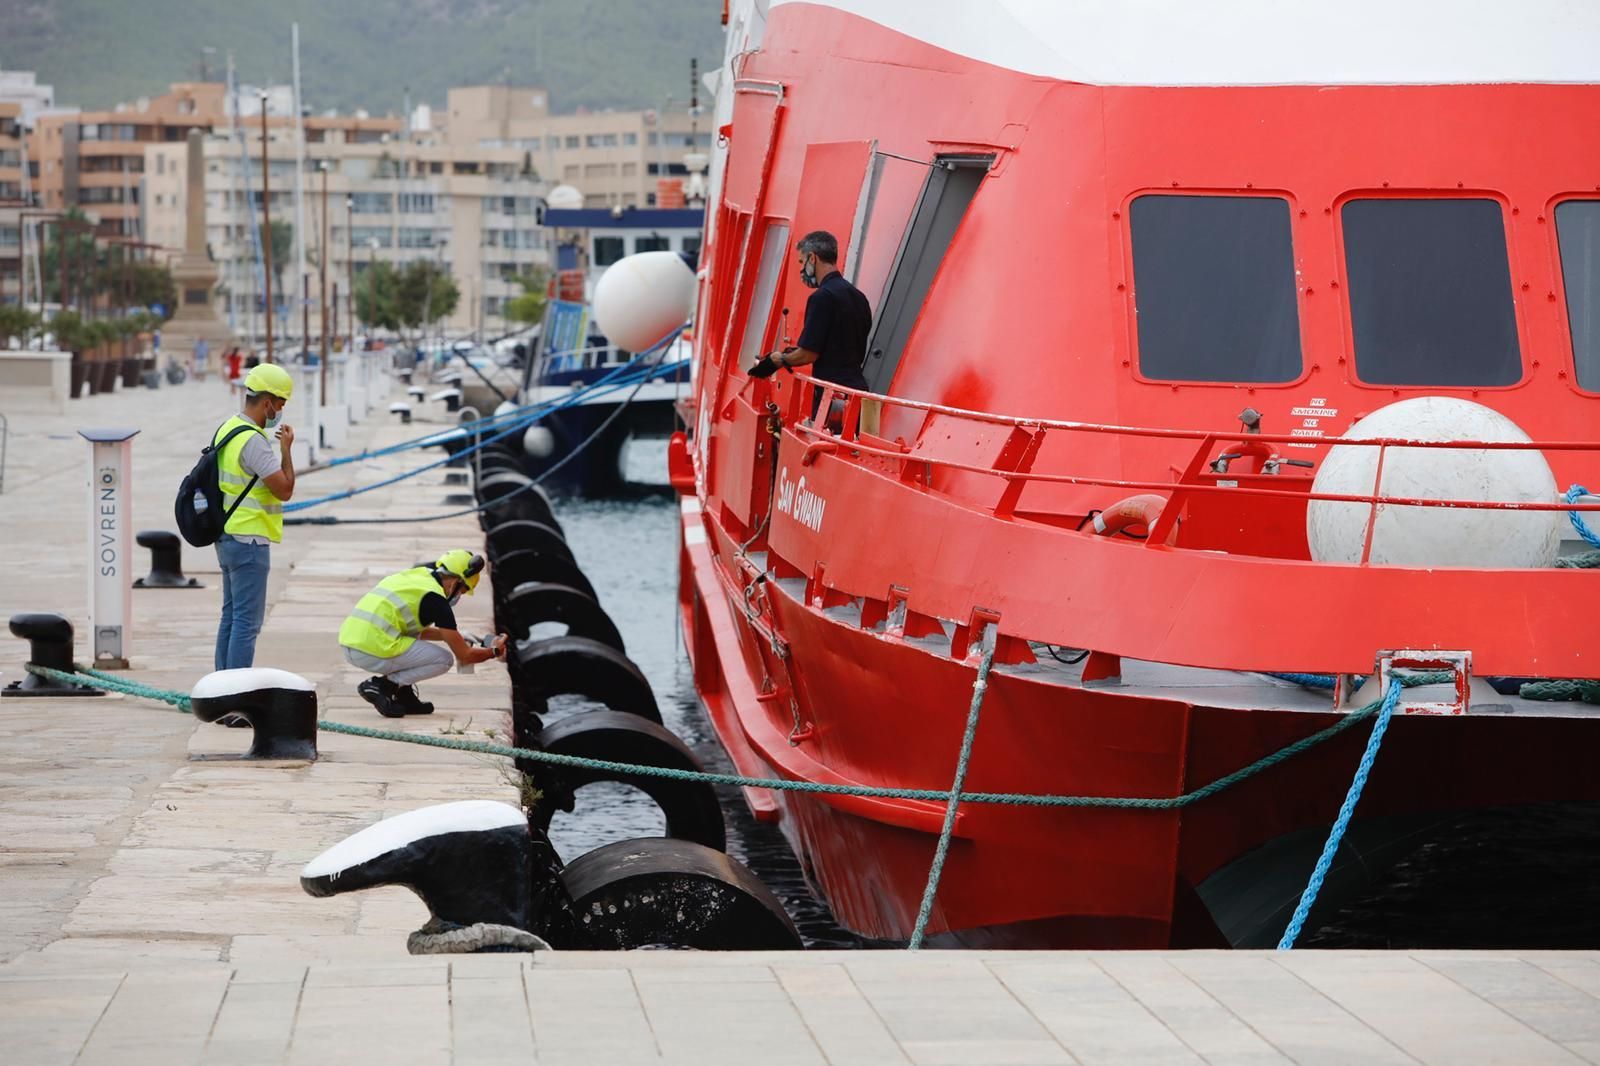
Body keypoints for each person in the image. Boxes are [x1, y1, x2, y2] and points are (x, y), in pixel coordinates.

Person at [338, 550, 508, 718]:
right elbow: (465, 656)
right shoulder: (436, 600)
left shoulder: (418, 577)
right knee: (443, 659)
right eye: (462, 591)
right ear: (456, 581)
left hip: (352, 643)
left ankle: (403, 695)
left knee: (413, 636)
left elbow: (417, 630)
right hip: (372, 649)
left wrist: (456, 635)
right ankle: (383, 686)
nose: (459, 596)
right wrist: (494, 651)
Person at [749, 230, 878, 433]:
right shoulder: (859, 297)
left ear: (812, 258)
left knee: (829, 448)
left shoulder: (821, 297)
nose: (802, 269)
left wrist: (778, 359)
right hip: (859, 392)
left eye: (802, 263)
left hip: (833, 399)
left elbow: (808, 354)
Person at [212, 363, 296, 671]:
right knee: (247, 625)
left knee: (231, 617)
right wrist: (286, 449)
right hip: (249, 541)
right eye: (281, 404)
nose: (281, 410)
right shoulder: (254, 441)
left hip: (228, 536)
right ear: (267, 402)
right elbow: (284, 490)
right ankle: (237, 698)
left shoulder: (228, 428)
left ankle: (220, 692)